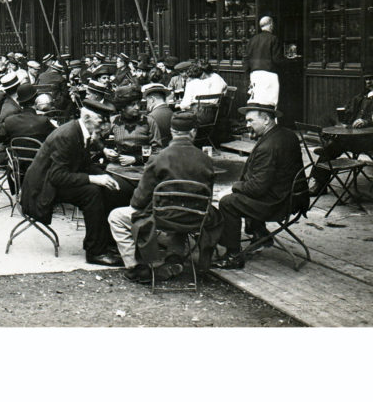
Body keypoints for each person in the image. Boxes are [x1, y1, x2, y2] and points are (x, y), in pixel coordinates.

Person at [21, 99, 135, 266]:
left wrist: (106, 177)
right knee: (92, 192)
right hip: (41, 190)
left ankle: (107, 243)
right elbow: (57, 176)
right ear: (88, 118)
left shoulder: (80, 131)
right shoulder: (68, 135)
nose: (104, 126)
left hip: (51, 183)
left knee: (112, 187)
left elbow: (84, 164)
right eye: (101, 121)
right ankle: (95, 252)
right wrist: (95, 179)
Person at [108, 111, 218, 283]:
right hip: (195, 218)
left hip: (163, 218)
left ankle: (136, 267)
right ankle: (174, 259)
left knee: (116, 216)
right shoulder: (206, 160)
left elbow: (138, 201)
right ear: (193, 132)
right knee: (181, 212)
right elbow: (207, 194)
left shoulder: (158, 158)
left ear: (172, 131)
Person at [213, 103, 307, 269]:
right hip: (294, 196)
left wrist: (234, 187)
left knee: (227, 202)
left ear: (265, 119)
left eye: (250, 120)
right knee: (244, 189)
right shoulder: (287, 134)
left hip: (278, 203)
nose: (247, 125)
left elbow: (257, 188)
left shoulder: (268, 146)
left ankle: (233, 256)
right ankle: (260, 234)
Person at [309, 71, 373, 195]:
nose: (368, 82)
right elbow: (349, 110)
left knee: (333, 146)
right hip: (354, 138)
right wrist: (346, 120)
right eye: (366, 79)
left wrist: (366, 121)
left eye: (371, 79)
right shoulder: (361, 97)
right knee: (329, 149)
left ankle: (330, 144)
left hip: (368, 140)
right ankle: (320, 184)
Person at [0, 84, 56, 151]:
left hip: (18, 161)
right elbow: (58, 138)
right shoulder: (43, 121)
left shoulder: (10, 121)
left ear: (20, 102)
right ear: (36, 100)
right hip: (40, 161)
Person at [244, 15, 285, 106]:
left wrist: (248, 77)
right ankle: (269, 120)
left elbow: (246, 60)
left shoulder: (252, 40)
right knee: (270, 102)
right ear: (271, 24)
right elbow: (277, 60)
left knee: (257, 101)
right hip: (269, 75)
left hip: (255, 75)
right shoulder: (273, 39)